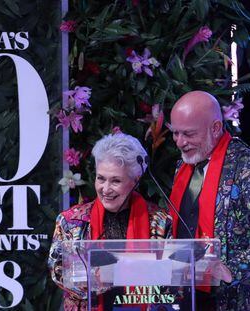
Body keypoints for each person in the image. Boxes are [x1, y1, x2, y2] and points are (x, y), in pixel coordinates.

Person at [48, 133, 172, 310]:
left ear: (134, 182)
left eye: (116, 181)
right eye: (101, 178)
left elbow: (171, 278)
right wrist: (104, 277)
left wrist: (116, 272)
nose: (105, 189)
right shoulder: (70, 221)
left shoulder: (161, 222)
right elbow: (59, 270)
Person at [169, 90, 250, 310]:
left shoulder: (245, 166)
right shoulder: (183, 165)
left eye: (188, 134)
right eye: (175, 133)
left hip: (232, 298)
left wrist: (231, 268)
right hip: (186, 293)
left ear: (215, 128)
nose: (180, 142)